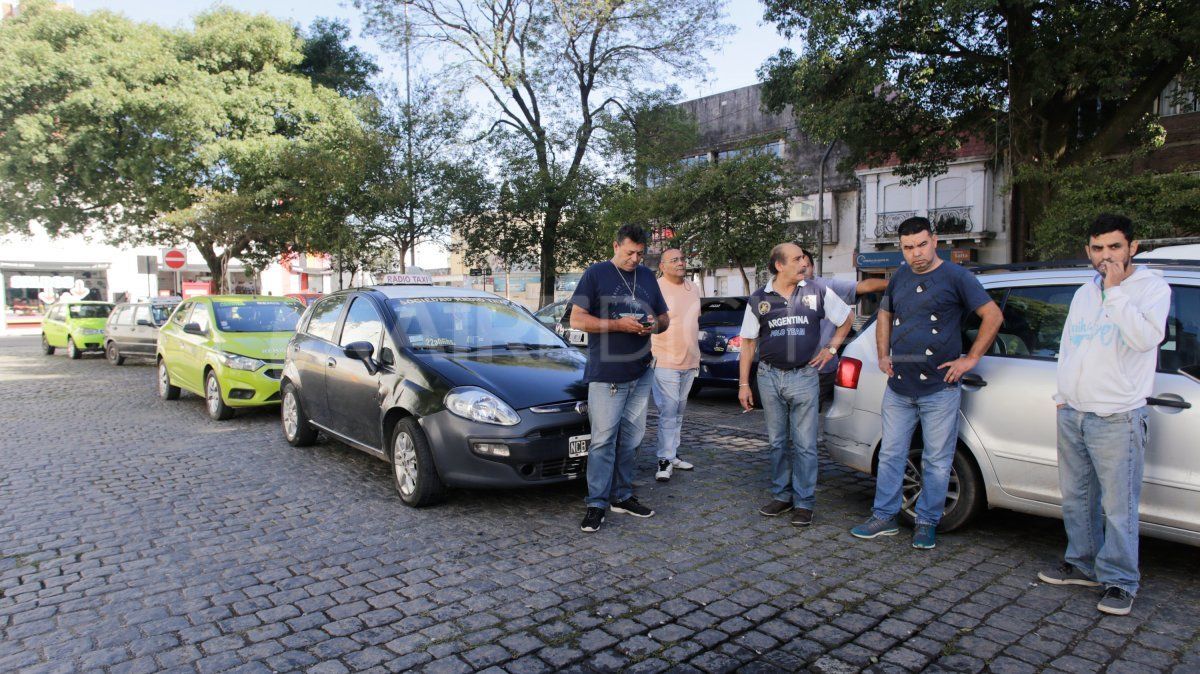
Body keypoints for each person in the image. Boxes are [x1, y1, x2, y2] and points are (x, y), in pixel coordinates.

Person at [1037, 214, 1170, 616]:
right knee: (1077, 498)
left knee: (1118, 506)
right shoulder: (1084, 292)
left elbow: (1145, 339)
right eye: (1098, 248)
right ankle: (1082, 563)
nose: (1106, 256)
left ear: (1133, 247)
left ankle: (1121, 580)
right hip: (1074, 411)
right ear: (1088, 251)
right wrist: (1063, 394)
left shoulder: (1152, 288)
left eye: (1115, 247)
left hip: (1117, 416)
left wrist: (1114, 292)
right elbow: (1070, 345)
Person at [850, 217, 1002, 549]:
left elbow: (993, 315)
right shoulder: (900, 277)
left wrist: (970, 359)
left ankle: (926, 521)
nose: (916, 253)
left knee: (937, 459)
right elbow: (885, 315)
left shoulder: (957, 277)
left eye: (921, 244)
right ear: (901, 248)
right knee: (891, 454)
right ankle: (884, 517)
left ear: (934, 241)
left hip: (939, 387)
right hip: (899, 386)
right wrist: (883, 354)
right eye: (908, 248)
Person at [738, 242, 854, 527]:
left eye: (804, 258)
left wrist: (831, 349)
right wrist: (743, 384)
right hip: (768, 377)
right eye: (797, 259)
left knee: (804, 445)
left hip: (804, 376)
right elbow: (748, 343)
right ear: (779, 265)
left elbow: (846, 318)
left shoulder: (816, 291)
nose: (804, 263)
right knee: (777, 442)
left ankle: (804, 503)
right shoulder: (759, 298)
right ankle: (782, 495)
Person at [570, 225, 670, 533]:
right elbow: (577, 319)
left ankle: (622, 496)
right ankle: (596, 503)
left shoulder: (648, 276)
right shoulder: (596, 274)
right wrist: (618, 325)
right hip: (607, 374)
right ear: (615, 246)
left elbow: (664, 319)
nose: (635, 259)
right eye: (629, 252)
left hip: (641, 372)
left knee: (632, 440)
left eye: (640, 253)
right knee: (603, 441)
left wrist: (653, 325)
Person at [798, 249, 888, 415]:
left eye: (806, 266)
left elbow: (864, 286)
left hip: (820, 369)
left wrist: (898, 283)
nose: (802, 270)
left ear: (813, 267)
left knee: (806, 416)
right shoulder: (780, 291)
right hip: (790, 369)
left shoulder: (826, 286)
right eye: (798, 266)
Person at [651, 248, 701, 482]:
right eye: (674, 260)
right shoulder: (655, 289)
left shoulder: (694, 288)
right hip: (664, 360)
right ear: (662, 266)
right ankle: (664, 458)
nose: (681, 263)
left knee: (679, 411)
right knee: (668, 411)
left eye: (682, 259)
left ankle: (672, 454)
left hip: (690, 360)